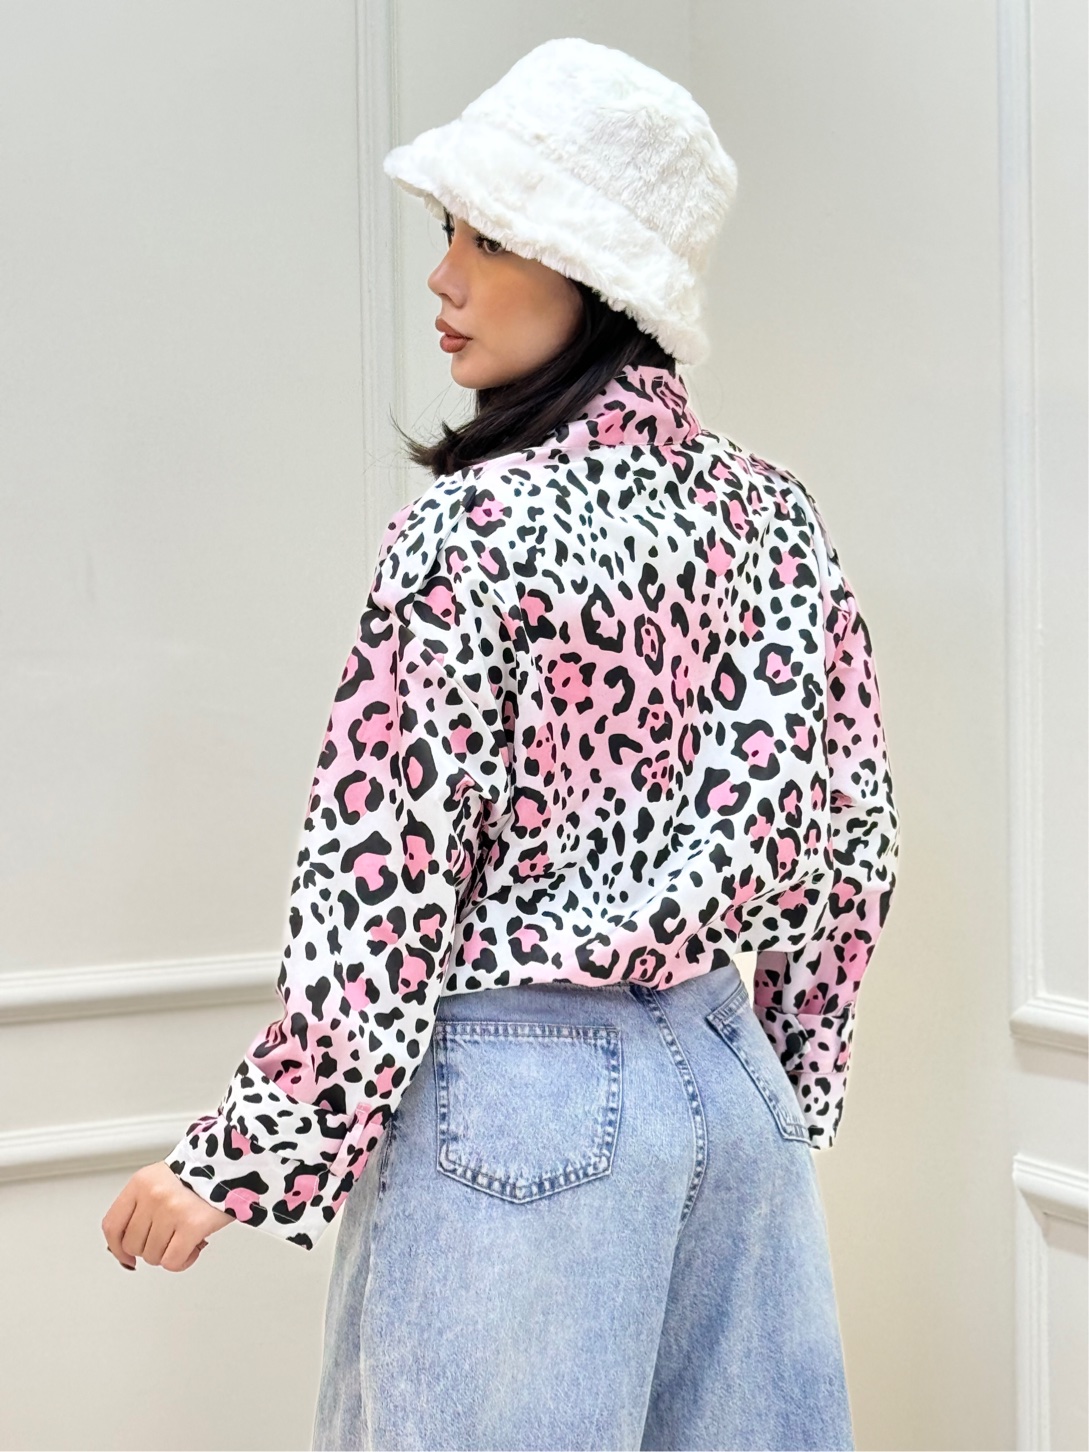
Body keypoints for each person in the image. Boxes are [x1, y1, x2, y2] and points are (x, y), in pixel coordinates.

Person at [101, 36, 899, 1452]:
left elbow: (382, 882)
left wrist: (240, 1156)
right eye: (446, 233)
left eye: (487, 237)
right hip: (732, 1091)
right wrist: (786, 1081)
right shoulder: (775, 516)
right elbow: (854, 853)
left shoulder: (472, 529)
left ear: (594, 274)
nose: (443, 278)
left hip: (518, 1110)